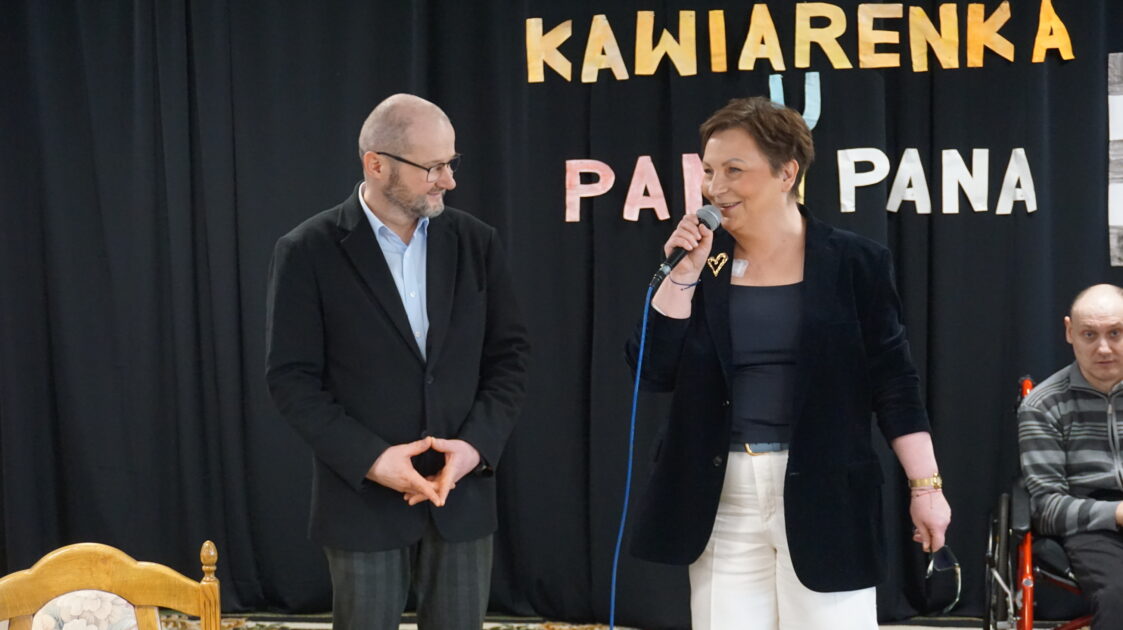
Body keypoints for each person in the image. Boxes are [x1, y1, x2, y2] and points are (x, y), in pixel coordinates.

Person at [624, 96, 951, 630]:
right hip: (720, 494)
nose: (715, 187)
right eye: (708, 170)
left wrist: (926, 487)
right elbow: (652, 370)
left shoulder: (855, 261)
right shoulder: (701, 261)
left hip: (826, 491)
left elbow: (894, 382)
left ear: (786, 173)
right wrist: (682, 275)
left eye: (734, 170)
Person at [265, 94, 530, 630]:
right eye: (432, 167)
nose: (448, 180)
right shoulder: (307, 250)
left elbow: (510, 357)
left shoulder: (477, 243)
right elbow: (292, 380)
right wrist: (373, 461)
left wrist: (474, 449)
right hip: (362, 502)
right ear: (376, 164)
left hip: (461, 497)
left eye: (451, 163)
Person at [1019, 283, 1123, 629]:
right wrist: (1116, 513)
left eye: (1116, 333)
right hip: (1090, 524)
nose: (1104, 348)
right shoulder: (1043, 405)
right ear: (1069, 331)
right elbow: (1046, 508)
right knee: (1118, 596)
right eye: (1089, 334)